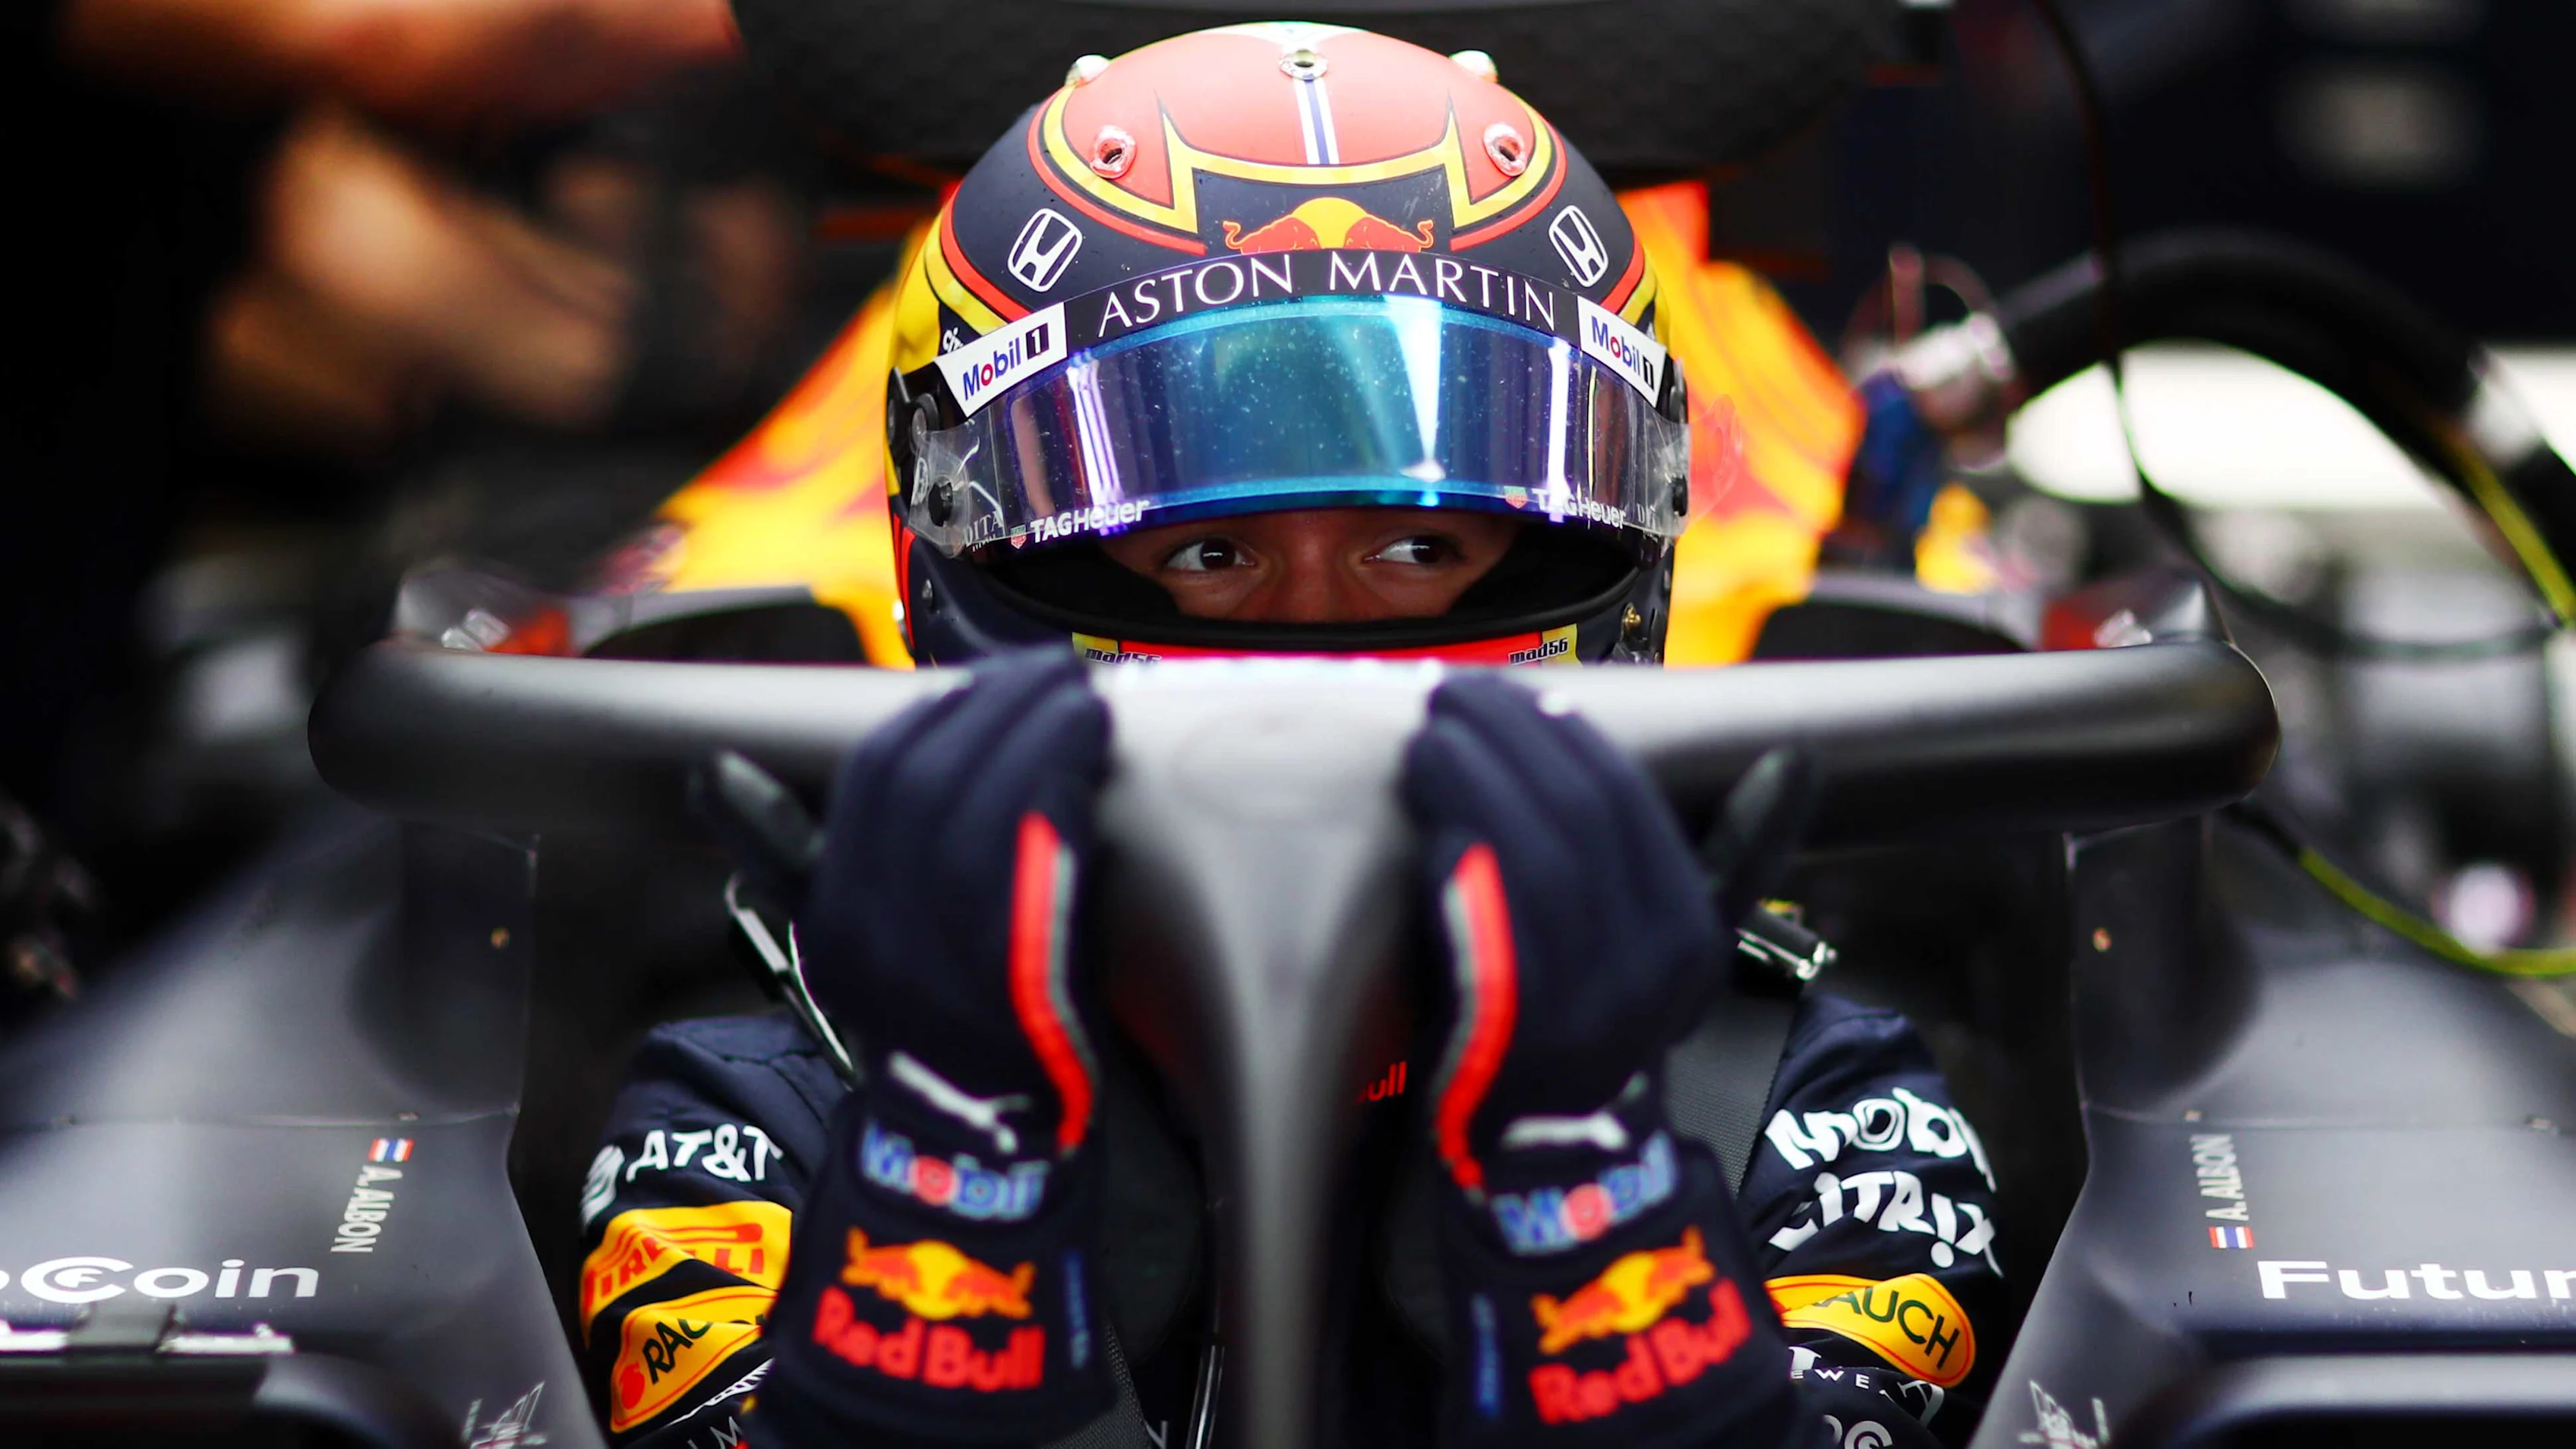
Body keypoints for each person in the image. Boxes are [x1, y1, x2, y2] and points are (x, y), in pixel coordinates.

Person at [576, 24, 2003, 1449]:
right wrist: (948, 1188)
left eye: (1419, 542)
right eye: (1206, 553)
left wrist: (1601, 1207)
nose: (1313, 633)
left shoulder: (1817, 1115)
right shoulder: (758, 1115)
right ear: (962, 560)